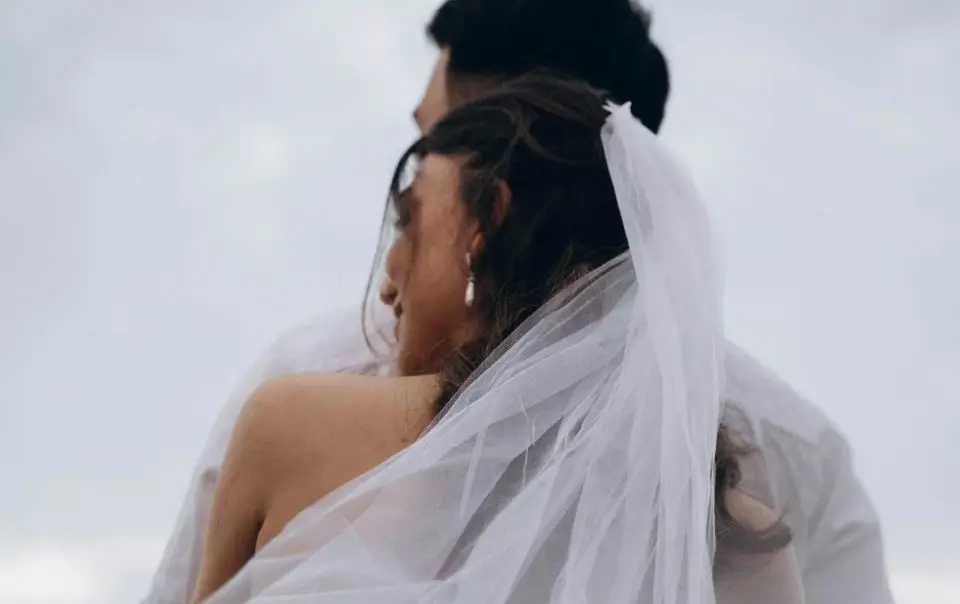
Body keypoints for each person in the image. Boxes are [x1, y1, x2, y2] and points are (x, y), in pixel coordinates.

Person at [145, 2, 893, 603]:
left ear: (489, 193)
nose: (389, 272)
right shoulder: (790, 451)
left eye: (435, 147)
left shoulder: (311, 384)